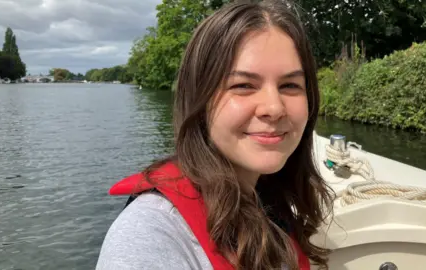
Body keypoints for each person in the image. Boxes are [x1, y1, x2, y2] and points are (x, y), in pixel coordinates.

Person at [96, 0, 334, 269]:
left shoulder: (268, 199)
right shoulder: (151, 235)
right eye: (243, 85)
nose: (274, 108)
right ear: (200, 101)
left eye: (290, 85)